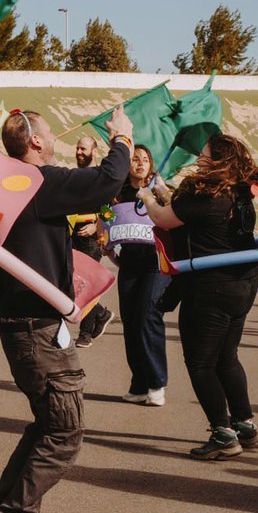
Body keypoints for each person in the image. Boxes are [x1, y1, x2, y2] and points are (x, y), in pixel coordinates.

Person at [0, 105, 131, 513]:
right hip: (39, 332)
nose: (54, 139)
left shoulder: (6, 183)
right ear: (34, 141)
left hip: (24, 328)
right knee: (64, 434)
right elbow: (107, 182)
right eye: (49, 133)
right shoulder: (37, 181)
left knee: (48, 427)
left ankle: (3, 507)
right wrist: (121, 137)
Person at [138, 133, 258, 460]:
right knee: (227, 357)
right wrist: (163, 192)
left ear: (217, 159)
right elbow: (188, 212)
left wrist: (147, 196)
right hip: (243, 283)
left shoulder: (204, 194)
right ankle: (244, 424)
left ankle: (223, 435)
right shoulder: (237, 192)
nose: (198, 157)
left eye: (204, 153)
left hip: (210, 289)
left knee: (200, 363)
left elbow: (163, 218)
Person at [113, 144, 170, 407]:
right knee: (131, 322)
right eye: (135, 159)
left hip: (155, 263)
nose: (139, 163)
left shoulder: (159, 189)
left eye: (145, 159)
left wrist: (163, 194)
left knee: (148, 315)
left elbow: (172, 215)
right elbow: (107, 221)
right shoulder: (117, 193)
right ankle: (139, 384)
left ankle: (157, 383)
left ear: (151, 165)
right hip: (129, 263)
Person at [69, 136, 115, 349]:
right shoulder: (74, 175)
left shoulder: (100, 177)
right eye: (77, 148)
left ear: (94, 151)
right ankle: (101, 313)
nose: (79, 152)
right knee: (70, 282)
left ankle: (85, 333)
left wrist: (97, 224)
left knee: (85, 284)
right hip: (71, 234)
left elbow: (110, 208)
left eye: (83, 149)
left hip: (92, 236)